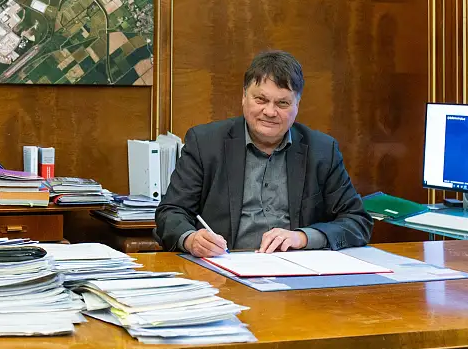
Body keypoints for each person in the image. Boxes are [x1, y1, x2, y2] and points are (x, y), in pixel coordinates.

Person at [155, 50, 372, 257]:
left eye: (282, 103)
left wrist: (303, 237)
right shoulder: (205, 143)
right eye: (261, 99)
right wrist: (191, 239)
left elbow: (357, 221)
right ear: (244, 97)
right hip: (223, 269)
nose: (269, 112)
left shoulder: (322, 150)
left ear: (297, 105)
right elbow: (171, 212)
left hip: (296, 275)